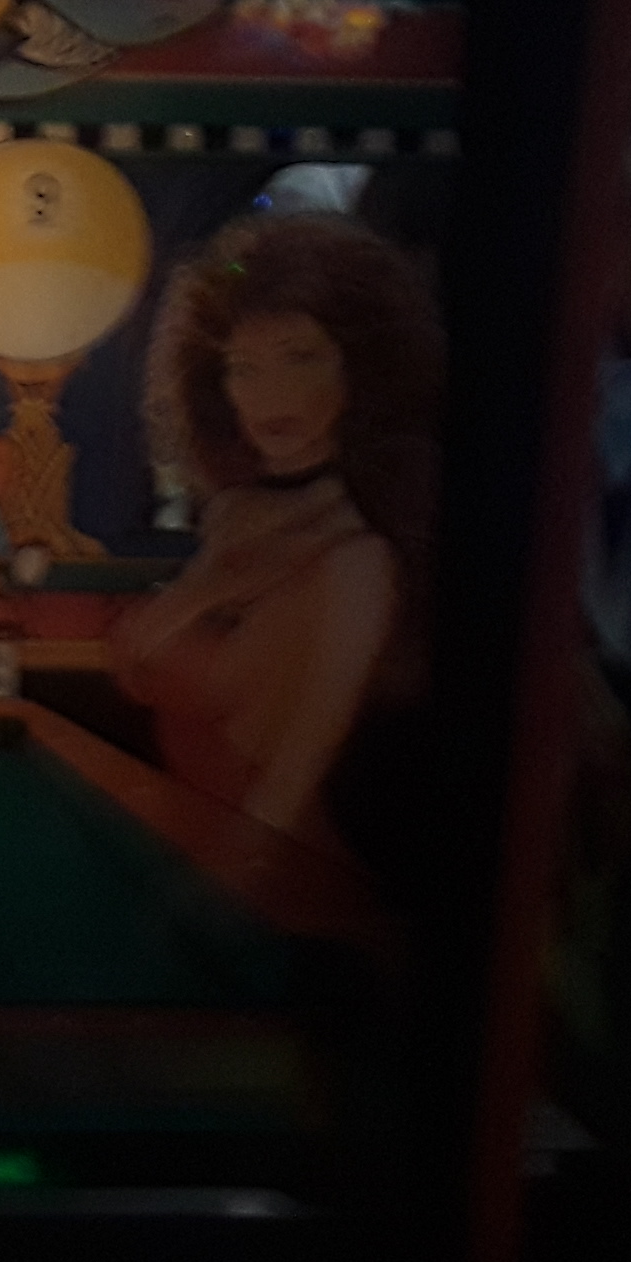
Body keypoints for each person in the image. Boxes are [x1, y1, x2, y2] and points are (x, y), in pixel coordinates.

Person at [109, 211, 441, 855]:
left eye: (300, 358)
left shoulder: (358, 560)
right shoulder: (239, 515)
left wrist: (214, 899)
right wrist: (224, 580)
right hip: (186, 843)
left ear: (358, 369)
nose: (271, 393)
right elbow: (138, 658)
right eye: (244, 368)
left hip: (272, 876)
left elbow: (282, 798)